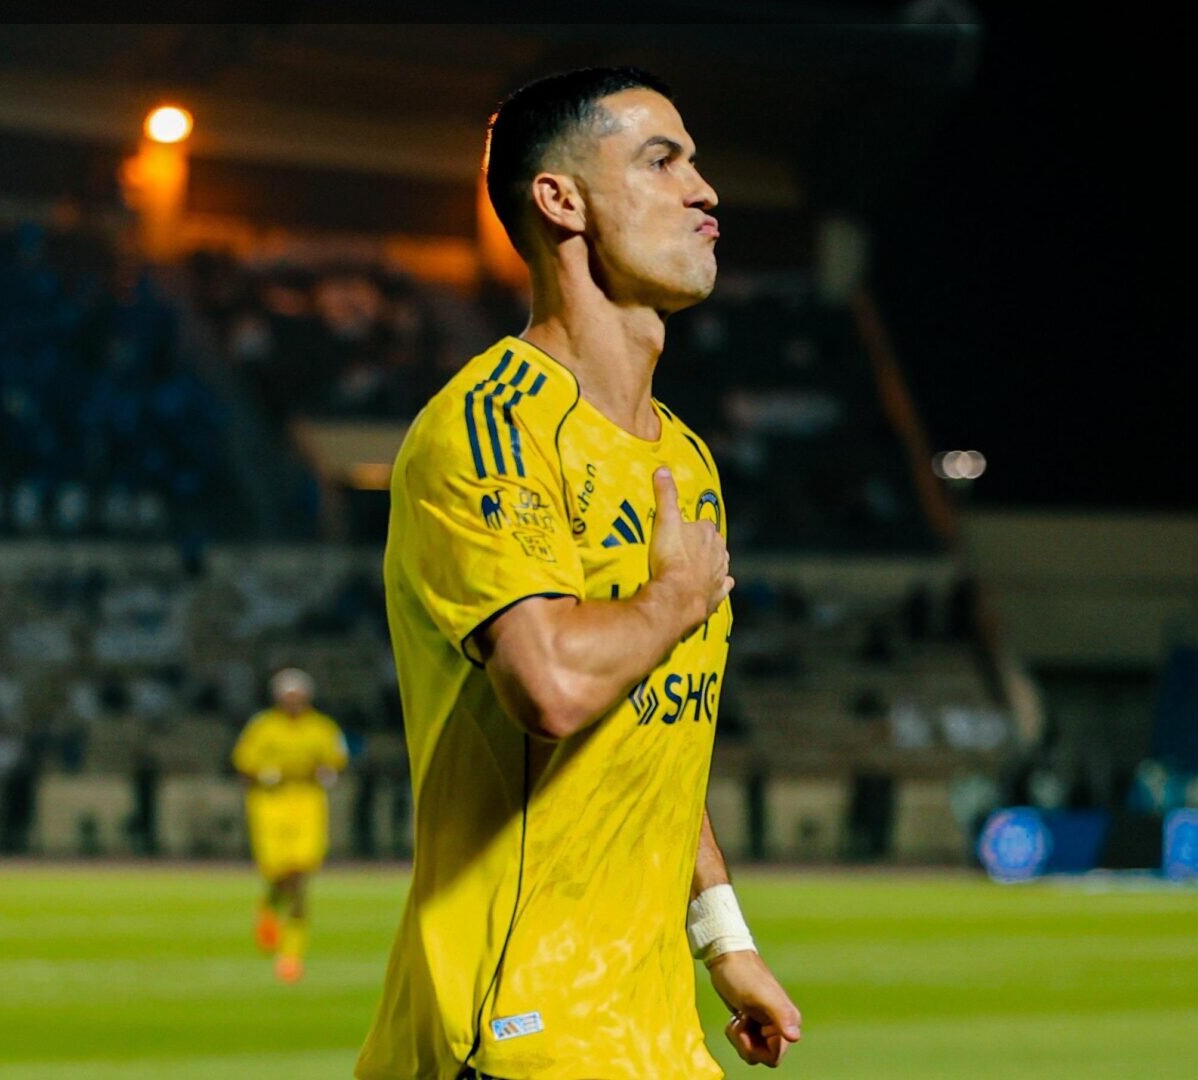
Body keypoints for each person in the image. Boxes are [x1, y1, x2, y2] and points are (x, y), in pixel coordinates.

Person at [356, 68, 802, 1080]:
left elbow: (652, 728)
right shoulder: (491, 428)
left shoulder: (684, 459)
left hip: (652, 1033)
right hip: (513, 1035)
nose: (705, 190)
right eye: (661, 160)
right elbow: (551, 685)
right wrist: (673, 599)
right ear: (560, 200)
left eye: (695, 162)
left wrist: (724, 939)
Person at [230, 667, 348, 983]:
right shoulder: (263, 727)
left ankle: (291, 953)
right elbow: (244, 763)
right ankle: (269, 907)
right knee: (278, 873)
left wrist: (325, 772)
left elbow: (337, 760)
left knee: (299, 874)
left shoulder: (322, 727)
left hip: (307, 803)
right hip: (270, 805)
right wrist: (265, 774)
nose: (293, 702)